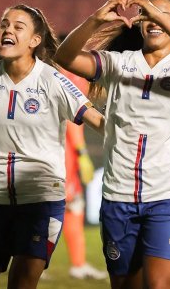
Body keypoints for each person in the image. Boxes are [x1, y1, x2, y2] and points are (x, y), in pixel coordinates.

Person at [55, 0, 170, 288]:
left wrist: (158, 15)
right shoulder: (118, 63)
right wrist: (93, 21)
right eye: (147, 14)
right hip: (119, 195)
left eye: (164, 16)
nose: (154, 20)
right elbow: (65, 56)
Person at [0, 4, 105, 289]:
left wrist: (136, 129)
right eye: (4, 24)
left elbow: (97, 120)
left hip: (40, 200)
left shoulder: (54, 81)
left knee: (22, 283)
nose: (7, 30)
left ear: (35, 41)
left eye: (18, 26)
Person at [61, 71, 107, 280]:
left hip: (59, 151)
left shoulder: (50, 73)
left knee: (69, 207)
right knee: (69, 206)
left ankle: (77, 263)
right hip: (63, 155)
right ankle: (26, 261)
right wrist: (82, 153)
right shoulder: (72, 78)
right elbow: (72, 118)